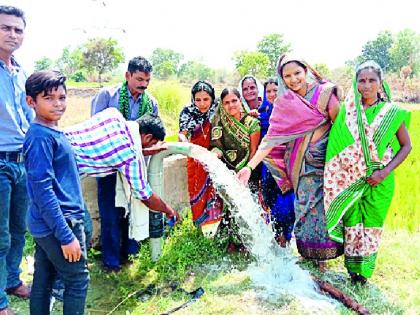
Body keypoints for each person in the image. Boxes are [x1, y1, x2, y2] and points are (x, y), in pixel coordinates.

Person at [237, 55, 343, 269]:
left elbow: (340, 129)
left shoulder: (324, 94)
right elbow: (271, 138)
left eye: (297, 73)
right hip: (297, 163)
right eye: (287, 76)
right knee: (302, 207)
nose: (294, 80)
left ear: (306, 70)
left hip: (325, 163)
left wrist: (341, 163)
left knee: (321, 209)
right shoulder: (285, 102)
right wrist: (249, 167)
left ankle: (321, 259)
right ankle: (306, 253)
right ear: (282, 79)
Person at [324, 61, 411, 284]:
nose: (366, 85)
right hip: (352, 180)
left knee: (372, 223)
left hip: (380, 181)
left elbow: (406, 146)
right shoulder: (348, 114)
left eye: (372, 80)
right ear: (356, 83)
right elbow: (337, 145)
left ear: (380, 83)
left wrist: (383, 172)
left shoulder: (392, 112)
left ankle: (366, 271)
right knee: (352, 222)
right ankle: (353, 272)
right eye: (362, 80)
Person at [23, 71, 88, 315]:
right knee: (77, 280)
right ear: (31, 102)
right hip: (60, 222)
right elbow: (43, 191)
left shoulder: (50, 132)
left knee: (45, 277)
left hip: (48, 222)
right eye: (48, 98)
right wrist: (66, 236)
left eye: (62, 97)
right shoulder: (40, 137)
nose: (58, 103)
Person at [90, 56, 158, 271]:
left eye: (147, 80)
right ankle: (111, 261)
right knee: (110, 212)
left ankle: (131, 254)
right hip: (108, 165)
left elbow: (153, 134)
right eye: (139, 79)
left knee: (134, 209)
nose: (143, 85)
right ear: (127, 75)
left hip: (134, 166)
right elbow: (95, 129)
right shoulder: (107, 96)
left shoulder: (151, 102)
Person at [0, 6, 32, 314]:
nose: (12, 34)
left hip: (23, 162)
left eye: (18, 30)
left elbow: (31, 117)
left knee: (18, 229)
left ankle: (11, 280)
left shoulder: (22, 73)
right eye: (6, 28)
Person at [210, 87, 260, 251]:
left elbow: (254, 151)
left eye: (234, 101)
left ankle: (249, 242)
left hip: (247, 171)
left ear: (240, 101)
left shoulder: (252, 123)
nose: (231, 105)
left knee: (248, 207)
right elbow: (215, 147)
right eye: (226, 102)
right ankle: (232, 241)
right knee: (230, 206)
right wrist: (215, 153)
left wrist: (246, 170)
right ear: (222, 106)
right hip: (227, 172)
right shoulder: (218, 124)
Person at [178, 81, 222, 227]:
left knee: (215, 190)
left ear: (212, 98)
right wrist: (187, 145)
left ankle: (215, 224)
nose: (202, 104)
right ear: (193, 99)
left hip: (215, 153)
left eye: (206, 99)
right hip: (196, 157)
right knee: (196, 189)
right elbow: (182, 134)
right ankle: (200, 226)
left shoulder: (217, 108)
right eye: (198, 100)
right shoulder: (188, 111)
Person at [258, 78, 295, 247]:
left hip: (287, 165)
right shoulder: (261, 113)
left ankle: (286, 235)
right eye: (269, 91)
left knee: (286, 203)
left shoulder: (292, 112)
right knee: (270, 200)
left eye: (276, 90)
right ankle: (277, 235)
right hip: (268, 166)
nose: (272, 94)